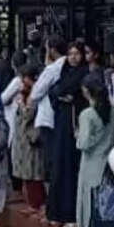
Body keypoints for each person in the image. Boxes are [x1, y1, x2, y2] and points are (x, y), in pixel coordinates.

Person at [74, 72, 114, 227]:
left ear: (86, 91)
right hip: (107, 163)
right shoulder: (113, 112)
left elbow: (83, 143)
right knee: (103, 208)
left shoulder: (87, 115)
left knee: (88, 207)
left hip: (91, 164)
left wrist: (77, 136)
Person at [45, 42, 88, 227]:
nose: (73, 57)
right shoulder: (63, 72)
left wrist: (66, 95)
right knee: (58, 167)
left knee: (71, 168)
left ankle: (72, 215)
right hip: (61, 125)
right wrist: (61, 95)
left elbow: (67, 90)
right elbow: (54, 91)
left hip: (75, 126)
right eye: (70, 54)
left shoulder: (85, 73)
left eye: (77, 54)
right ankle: (56, 213)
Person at [29, 36, 68, 180]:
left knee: (50, 158)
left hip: (48, 117)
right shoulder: (66, 65)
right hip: (60, 117)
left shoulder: (52, 68)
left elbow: (36, 92)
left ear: (52, 50)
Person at [12, 65, 46, 214]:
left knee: (33, 172)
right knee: (26, 173)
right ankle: (31, 203)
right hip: (22, 137)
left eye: (24, 78)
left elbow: (28, 114)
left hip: (32, 136)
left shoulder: (36, 94)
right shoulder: (25, 93)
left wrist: (21, 103)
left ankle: (38, 204)